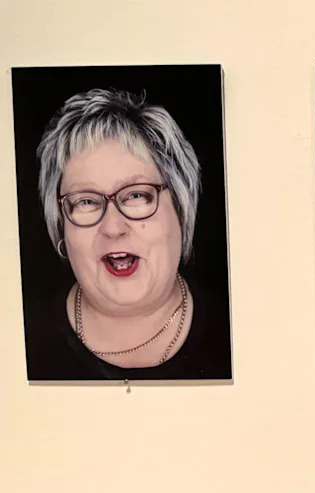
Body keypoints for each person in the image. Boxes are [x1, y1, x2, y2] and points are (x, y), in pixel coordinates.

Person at [24, 88, 231, 380]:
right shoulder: (16, 343)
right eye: (86, 201)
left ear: (182, 209)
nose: (112, 228)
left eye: (136, 196)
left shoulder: (241, 331)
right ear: (60, 224)